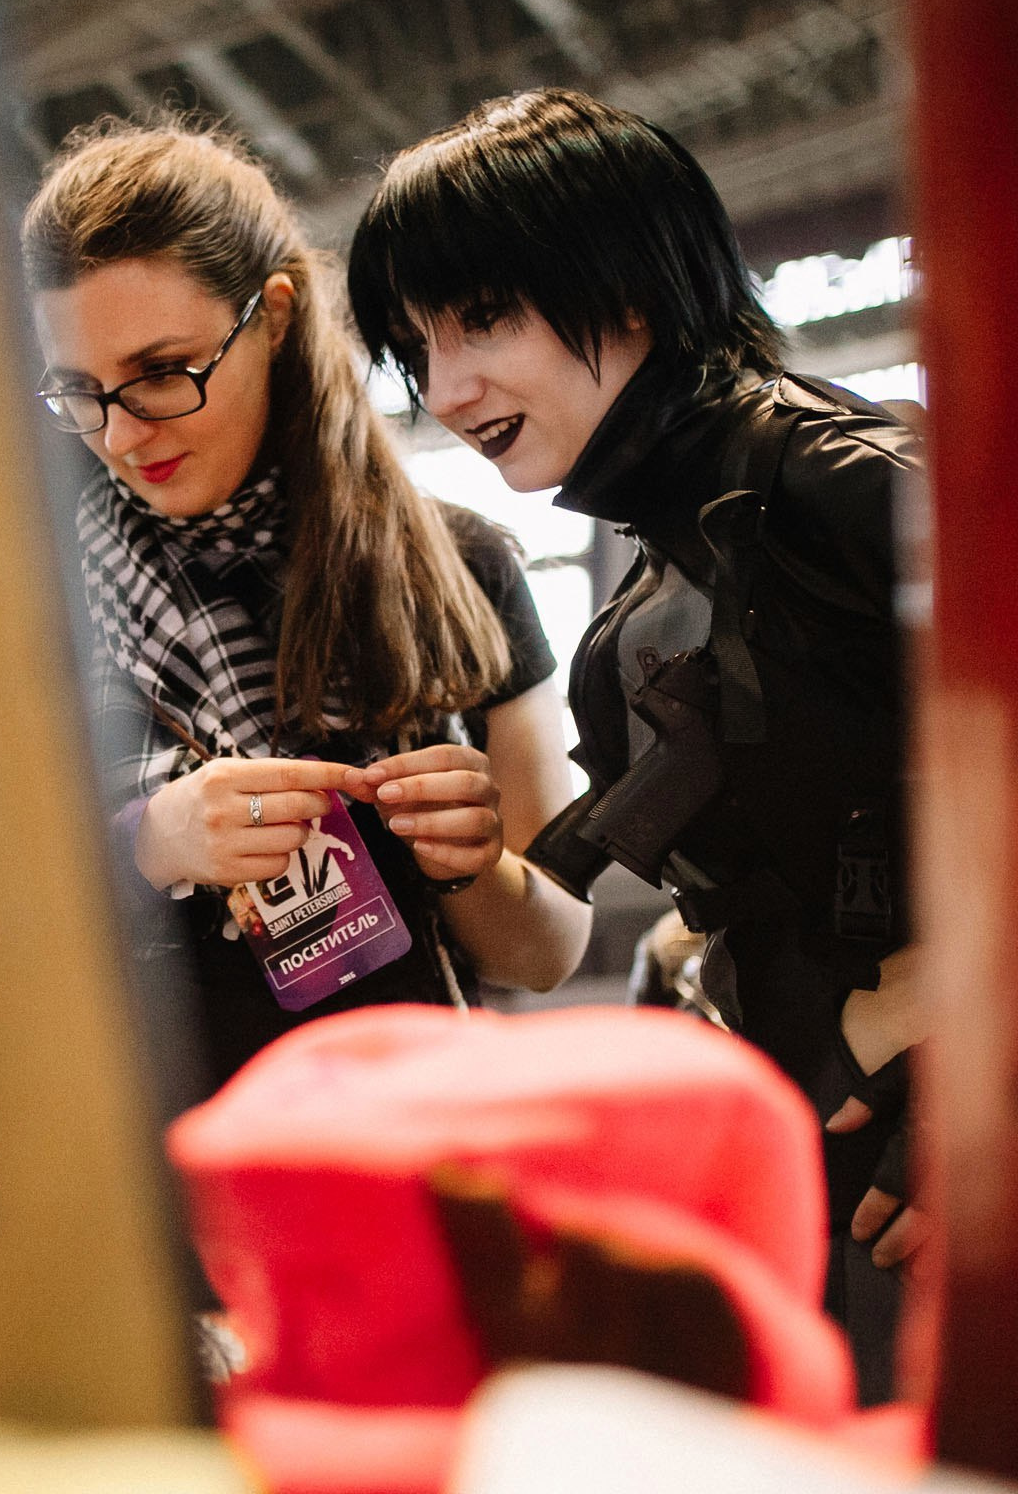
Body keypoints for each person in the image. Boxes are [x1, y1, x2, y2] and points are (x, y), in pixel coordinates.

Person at [345, 88, 928, 1401]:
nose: (446, 391)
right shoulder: (636, 631)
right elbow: (555, 911)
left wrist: (993, 1055)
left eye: (483, 318)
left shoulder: (847, 483)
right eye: (413, 348)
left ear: (629, 292)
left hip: (975, 1169)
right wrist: (449, 846)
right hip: (800, 1173)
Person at [21, 119, 590, 1101]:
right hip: (147, 1174)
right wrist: (150, 843)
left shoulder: (460, 565)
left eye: (163, 371)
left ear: (275, 315)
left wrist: (472, 865)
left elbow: (549, 952)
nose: (119, 433)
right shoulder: (26, 590)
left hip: (412, 1138)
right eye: (79, 390)